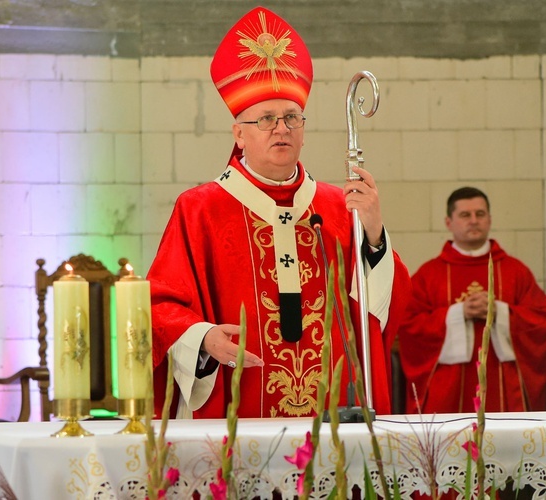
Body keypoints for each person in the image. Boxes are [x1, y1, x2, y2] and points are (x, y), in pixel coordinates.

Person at [147, 6, 411, 419]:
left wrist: (374, 236)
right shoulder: (200, 208)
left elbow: (381, 312)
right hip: (241, 405)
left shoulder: (339, 206)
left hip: (333, 409)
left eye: (291, 117)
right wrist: (203, 339)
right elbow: (160, 305)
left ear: (303, 131)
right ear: (239, 133)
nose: (281, 128)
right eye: (266, 118)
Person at [399, 187, 546, 414]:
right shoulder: (430, 274)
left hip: (503, 385)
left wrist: (500, 312)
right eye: (465, 215)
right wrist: (457, 314)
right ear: (448, 222)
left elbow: (544, 317)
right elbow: (407, 324)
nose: (474, 221)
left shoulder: (514, 271)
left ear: (490, 219)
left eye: (480, 214)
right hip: (447, 390)